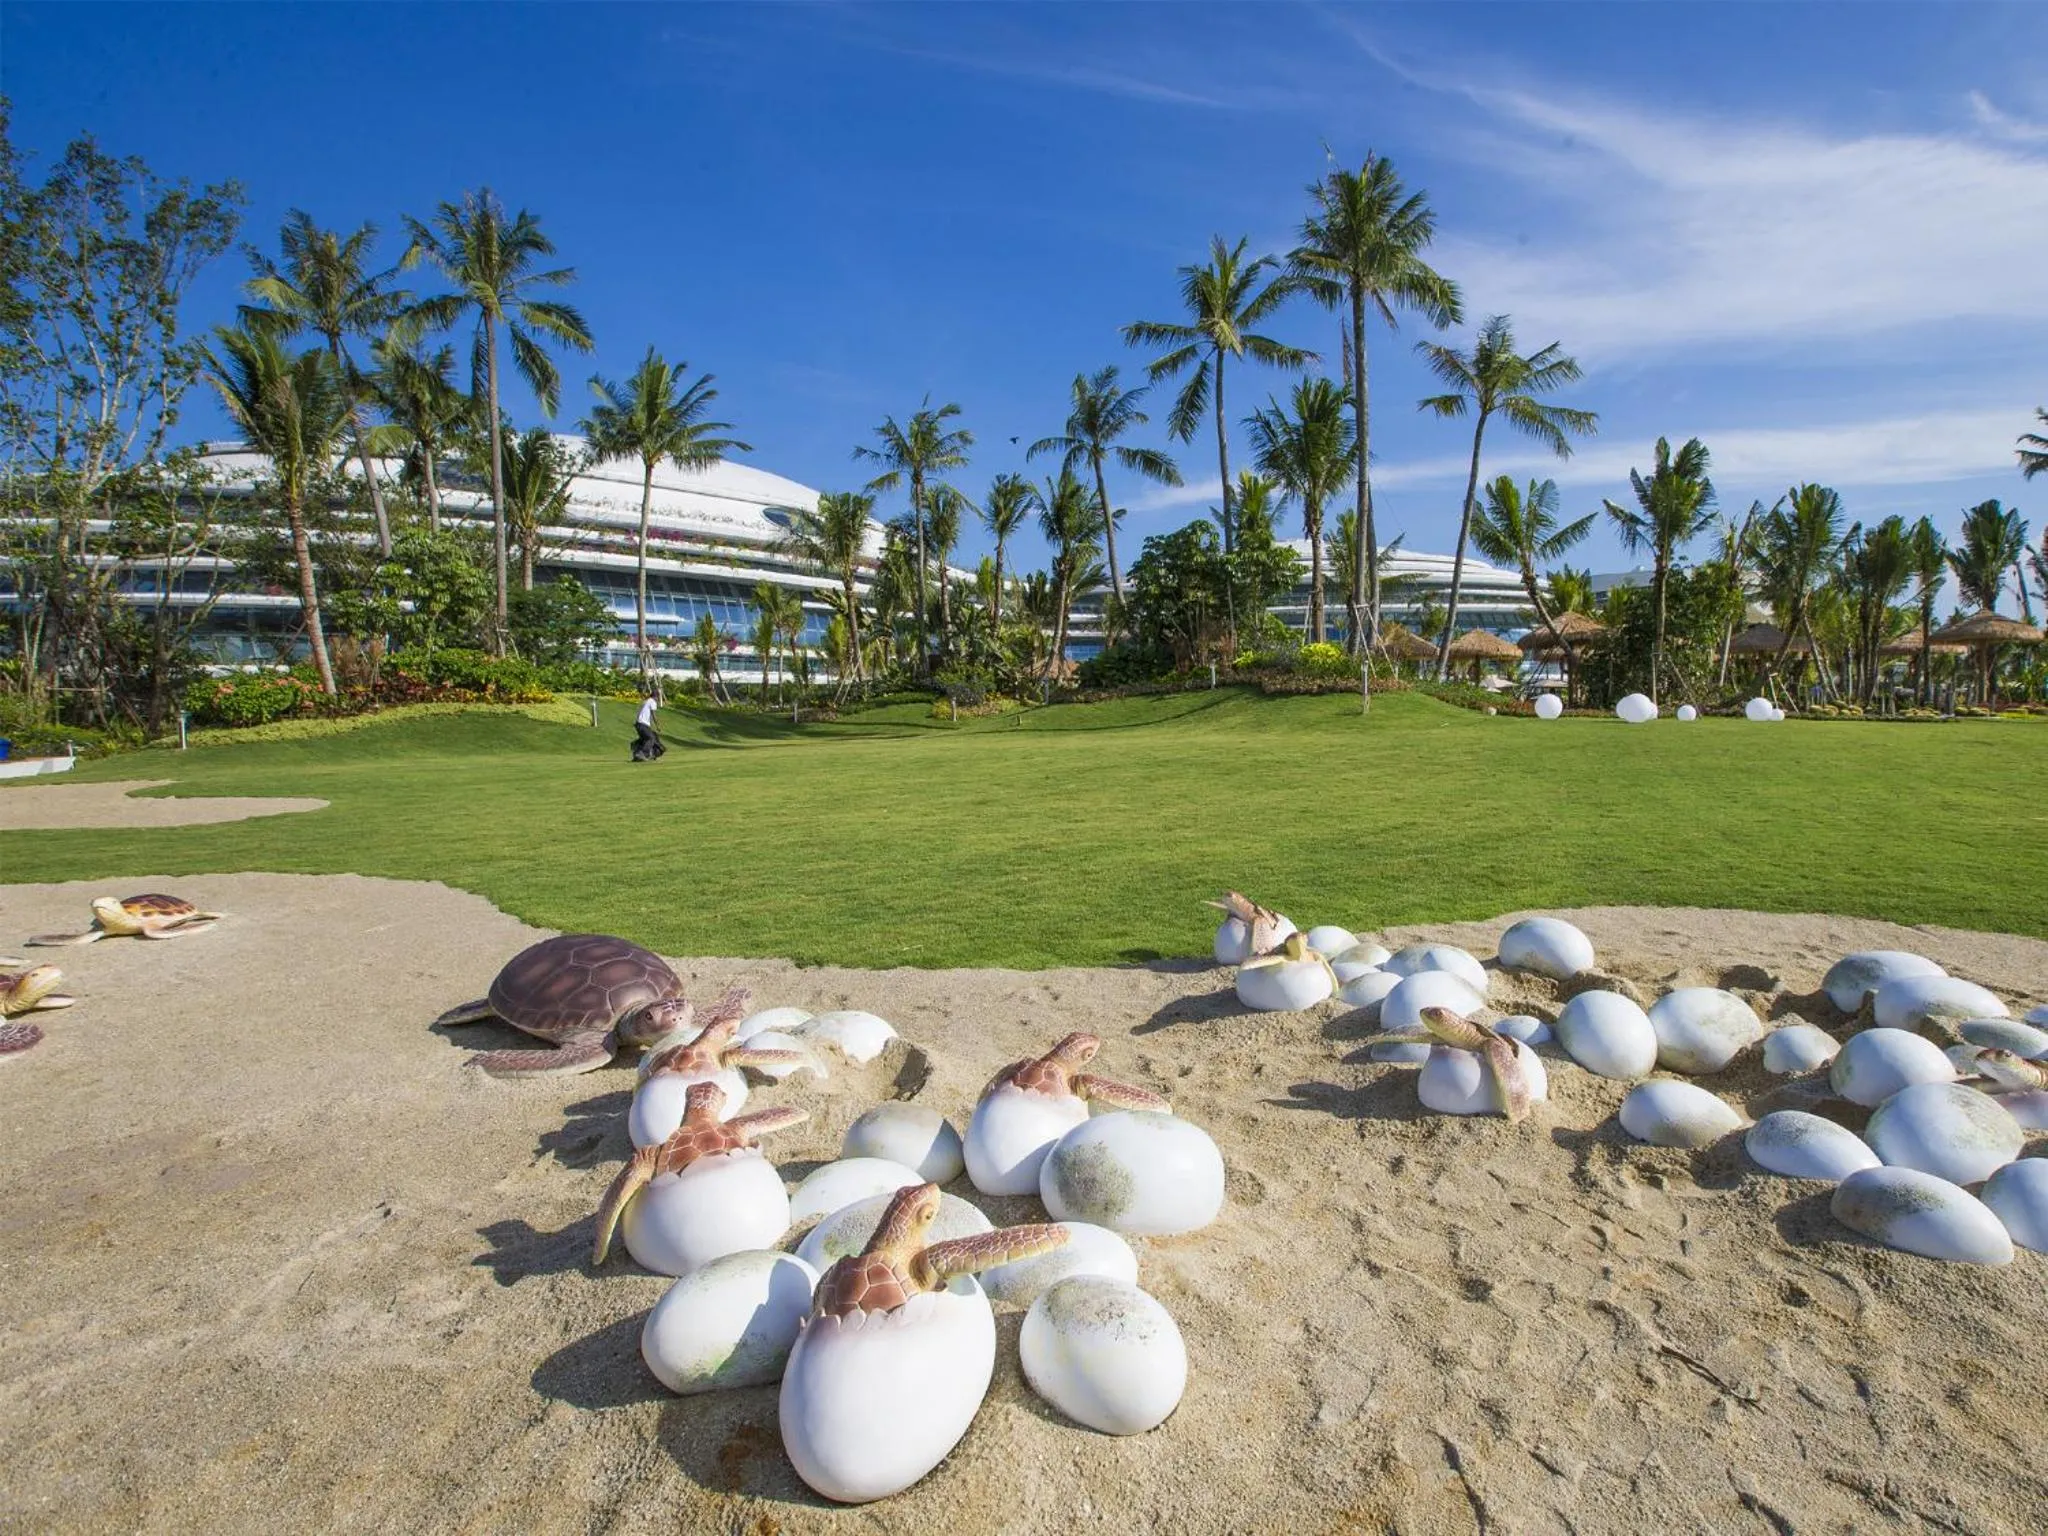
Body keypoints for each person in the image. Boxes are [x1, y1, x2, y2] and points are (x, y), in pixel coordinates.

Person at [632, 688, 665, 761]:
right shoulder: (652, 701)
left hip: (638, 724)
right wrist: (658, 726)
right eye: (659, 696)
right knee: (651, 738)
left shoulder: (646, 701)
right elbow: (653, 715)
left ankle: (637, 754)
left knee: (645, 739)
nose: (659, 699)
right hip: (642, 724)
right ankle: (643, 753)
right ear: (656, 696)